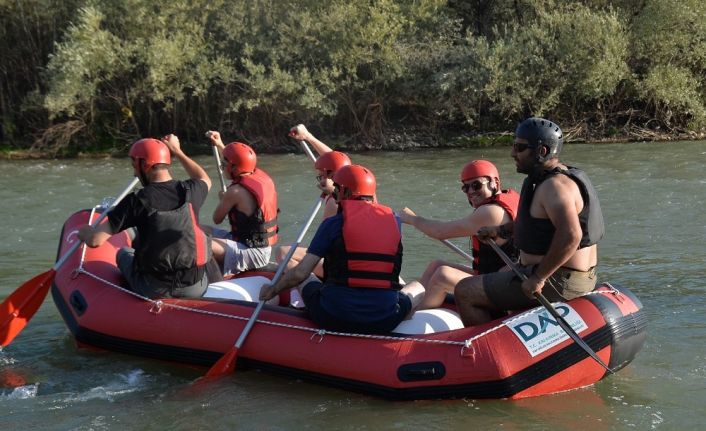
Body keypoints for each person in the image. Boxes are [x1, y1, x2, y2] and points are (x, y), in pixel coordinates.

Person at [455, 117, 604, 326]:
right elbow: (538, 226)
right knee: (502, 274)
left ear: (542, 151)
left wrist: (538, 277)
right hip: (572, 277)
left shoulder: (554, 187)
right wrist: (501, 230)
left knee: (465, 290)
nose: (513, 153)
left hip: (558, 281)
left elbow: (571, 235)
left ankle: (482, 345)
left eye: (520, 147)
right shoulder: (559, 177)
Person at [259, 164, 425, 334]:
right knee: (418, 287)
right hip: (385, 320)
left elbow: (300, 273)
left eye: (337, 189)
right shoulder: (394, 222)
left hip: (333, 315)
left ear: (344, 192)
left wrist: (272, 290)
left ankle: (300, 307)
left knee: (307, 278)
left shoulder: (333, 223)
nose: (335, 194)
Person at [77, 135, 213, 299]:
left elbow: (95, 241)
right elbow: (204, 179)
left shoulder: (136, 200)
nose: (135, 172)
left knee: (124, 253)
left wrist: (85, 232)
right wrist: (177, 151)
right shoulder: (191, 190)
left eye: (134, 166)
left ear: (144, 165)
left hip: (156, 289)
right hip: (196, 286)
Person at [399, 160, 519, 310]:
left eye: (476, 185)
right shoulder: (512, 198)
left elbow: (440, 232)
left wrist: (412, 219)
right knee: (436, 265)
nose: (470, 192)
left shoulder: (490, 212)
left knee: (442, 275)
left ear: (495, 182)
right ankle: (410, 302)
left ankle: (413, 317)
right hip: (496, 276)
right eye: (465, 187)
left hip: (500, 284)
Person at [204, 131, 278, 276]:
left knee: (200, 243)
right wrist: (219, 144)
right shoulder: (259, 175)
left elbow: (217, 219)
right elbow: (239, 160)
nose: (222, 167)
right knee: (197, 230)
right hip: (249, 243)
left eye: (224, 164)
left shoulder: (235, 192)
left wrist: (223, 200)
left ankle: (211, 280)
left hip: (252, 253)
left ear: (234, 168)